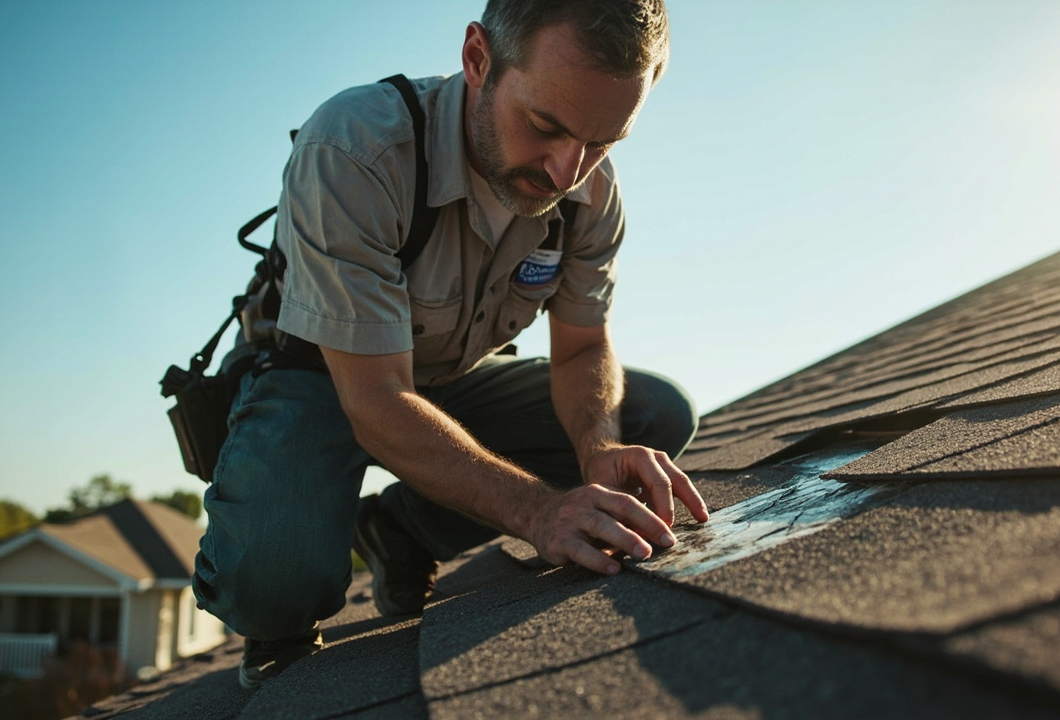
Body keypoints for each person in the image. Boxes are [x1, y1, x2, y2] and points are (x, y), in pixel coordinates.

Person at [192, 0, 709, 690]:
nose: (567, 172)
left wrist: (597, 450)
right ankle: (283, 600)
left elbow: (583, 351)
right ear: (478, 59)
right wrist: (537, 510)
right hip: (323, 377)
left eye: (602, 142)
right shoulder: (353, 148)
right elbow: (376, 397)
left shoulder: (591, 192)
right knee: (272, 579)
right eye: (545, 126)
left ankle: (402, 532)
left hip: (453, 376)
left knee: (651, 417)